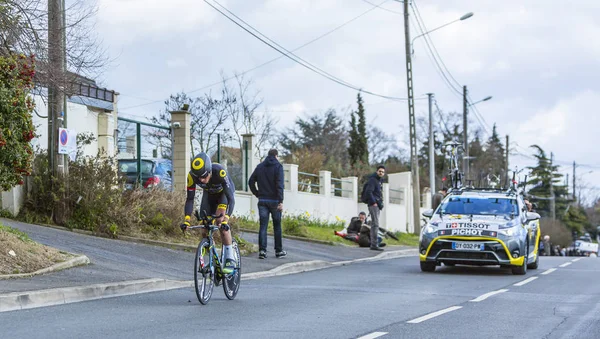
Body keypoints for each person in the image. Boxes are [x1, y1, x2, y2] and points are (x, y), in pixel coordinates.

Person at [181, 152, 237, 274]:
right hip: (209, 195)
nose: (201, 180)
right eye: (198, 177)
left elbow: (231, 199)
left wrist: (226, 220)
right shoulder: (191, 176)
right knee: (204, 226)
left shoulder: (220, 172)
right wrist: (186, 220)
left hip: (224, 194)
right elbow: (190, 199)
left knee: (220, 221)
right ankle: (211, 260)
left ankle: (230, 258)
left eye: (204, 176)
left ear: (210, 171)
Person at [248, 149, 286, 259]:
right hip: (275, 201)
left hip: (263, 201)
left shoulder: (260, 167)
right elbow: (280, 185)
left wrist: (257, 194)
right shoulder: (278, 167)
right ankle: (278, 251)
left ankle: (262, 251)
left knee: (263, 226)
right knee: (277, 227)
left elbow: (250, 181)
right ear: (276, 156)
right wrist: (280, 201)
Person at [361, 165, 386, 251]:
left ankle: (374, 243)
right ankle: (374, 245)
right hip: (373, 205)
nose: (381, 173)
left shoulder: (379, 181)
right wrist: (374, 202)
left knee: (375, 224)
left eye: (382, 172)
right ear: (376, 171)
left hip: (377, 205)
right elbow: (369, 192)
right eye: (380, 171)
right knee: (375, 224)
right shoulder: (373, 180)